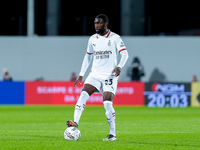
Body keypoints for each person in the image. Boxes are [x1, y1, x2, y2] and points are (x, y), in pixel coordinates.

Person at [66, 14, 129, 141]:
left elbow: (125, 54)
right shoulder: (92, 39)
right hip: (95, 74)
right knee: (83, 94)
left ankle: (112, 134)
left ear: (106, 24)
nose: (96, 25)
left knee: (107, 103)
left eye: (99, 23)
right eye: (95, 23)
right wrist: (81, 74)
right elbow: (88, 56)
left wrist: (120, 67)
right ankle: (75, 123)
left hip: (109, 75)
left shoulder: (115, 38)